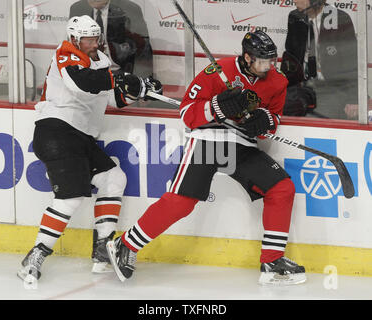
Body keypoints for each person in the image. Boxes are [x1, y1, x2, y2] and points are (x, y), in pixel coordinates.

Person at [106, 30, 306, 286]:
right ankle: (125, 245)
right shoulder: (218, 71)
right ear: (247, 57)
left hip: (241, 145)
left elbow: (273, 120)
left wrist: (263, 121)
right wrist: (217, 107)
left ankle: (272, 261)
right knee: (181, 202)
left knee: (282, 188)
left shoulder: (277, 81)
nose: (268, 67)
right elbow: (187, 113)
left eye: (271, 61)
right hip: (208, 139)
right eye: (262, 61)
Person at [17, 15, 162, 284]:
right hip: (56, 131)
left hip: (80, 137)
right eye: (88, 39)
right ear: (75, 39)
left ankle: (103, 249)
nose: (94, 43)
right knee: (70, 198)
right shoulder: (66, 54)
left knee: (114, 178)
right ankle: (35, 255)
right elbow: (82, 81)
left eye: (96, 38)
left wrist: (138, 91)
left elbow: (114, 98)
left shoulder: (102, 62)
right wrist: (123, 78)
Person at [281, 0, 358, 119]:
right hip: (302, 85)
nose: (294, 0)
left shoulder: (340, 18)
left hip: (332, 87)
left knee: (325, 115)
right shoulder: (295, 17)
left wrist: (354, 99)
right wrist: (283, 89)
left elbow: (352, 61)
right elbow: (290, 56)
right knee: (284, 109)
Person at [69, 0, 153, 77]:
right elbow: (72, 47)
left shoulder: (130, 9)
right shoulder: (77, 9)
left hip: (119, 72)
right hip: (87, 73)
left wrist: (138, 82)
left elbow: (144, 50)